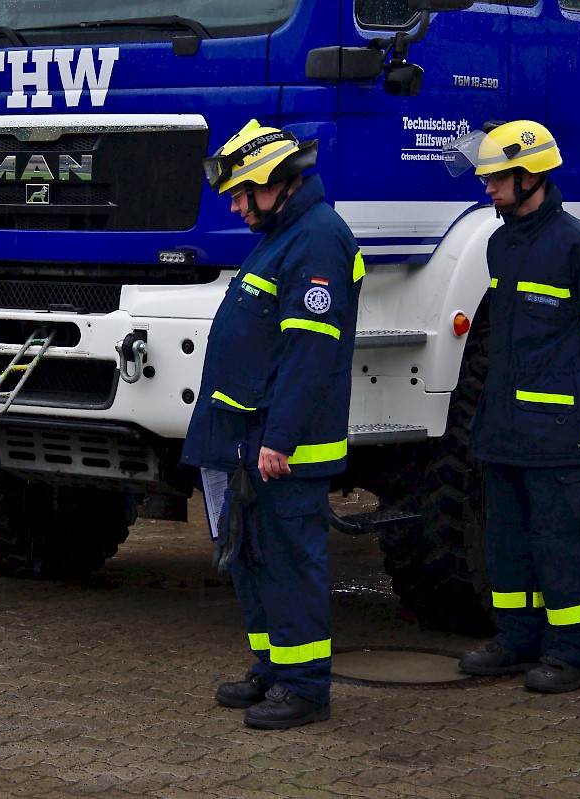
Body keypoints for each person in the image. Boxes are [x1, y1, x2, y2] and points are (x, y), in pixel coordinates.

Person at [444, 120, 580, 692]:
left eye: (498, 178)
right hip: (504, 429)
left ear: (532, 176)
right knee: (507, 542)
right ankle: (518, 640)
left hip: (559, 432)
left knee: (562, 545)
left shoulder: (578, 245)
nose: (489, 189)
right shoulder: (501, 244)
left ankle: (573, 654)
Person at [183, 120, 363, 729]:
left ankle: (306, 685)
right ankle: (274, 667)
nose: (236, 205)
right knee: (254, 558)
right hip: (246, 439)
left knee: (292, 563)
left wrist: (279, 440)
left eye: (243, 192)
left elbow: (310, 357)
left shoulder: (317, 239)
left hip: (281, 445)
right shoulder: (284, 232)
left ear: (278, 184)